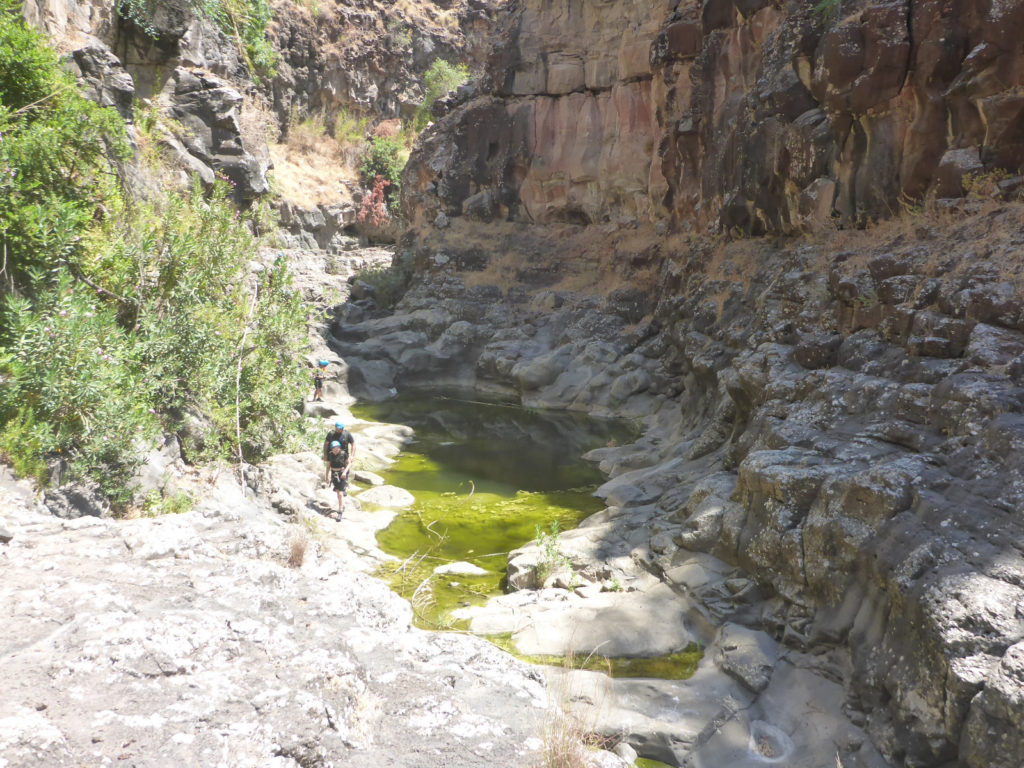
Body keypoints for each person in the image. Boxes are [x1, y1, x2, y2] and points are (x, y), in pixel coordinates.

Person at [325, 440, 351, 515]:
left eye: (337, 448)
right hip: (334, 474)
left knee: (339, 493)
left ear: (339, 448)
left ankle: (340, 508)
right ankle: (342, 504)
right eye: (334, 448)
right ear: (331, 448)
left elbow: (349, 463)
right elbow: (328, 466)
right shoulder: (330, 454)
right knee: (337, 491)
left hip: (342, 473)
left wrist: (345, 472)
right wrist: (326, 477)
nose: (335, 450)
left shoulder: (343, 454)